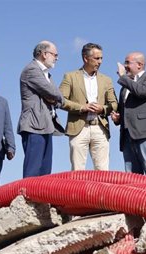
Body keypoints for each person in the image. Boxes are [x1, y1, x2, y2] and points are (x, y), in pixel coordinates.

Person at [59, 43, 118, 171]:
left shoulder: (106, 80)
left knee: (103, 171)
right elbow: (60, 100)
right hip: (78, 128)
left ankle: (101, 192)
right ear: (86, 58)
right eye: (97, 58)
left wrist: (102, 109)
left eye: (101, 58)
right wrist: (82, 107)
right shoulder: (70, 77)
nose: (100, 62)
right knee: (77, 172)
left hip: (100, 128)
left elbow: (114, 104)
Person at [17, 41, 65, 178]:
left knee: (45, 172)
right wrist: (54, 96)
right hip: (34, 126)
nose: (57, 58)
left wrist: (54, 97)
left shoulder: (47, 75)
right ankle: (28, 198)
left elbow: (55, 96)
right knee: (33, 171)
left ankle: (41, 199)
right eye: (55, 54)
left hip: (46, 126)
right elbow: (55, 93)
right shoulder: (31, 70)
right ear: (44, 54)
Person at [110, 52, 146, 177]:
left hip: (145, 134)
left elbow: (141, 91)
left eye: (127, 62)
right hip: (127, 135)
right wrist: (118, 119)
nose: (124, 66)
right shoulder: (125, 86)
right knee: (132, 175)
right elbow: (124, 109)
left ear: (139, 65)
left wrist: (123, 77)